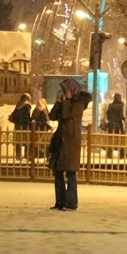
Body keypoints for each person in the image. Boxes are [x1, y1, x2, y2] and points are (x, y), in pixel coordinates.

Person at [48, 78, 92, 211]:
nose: (64, 92)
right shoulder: (66, 102)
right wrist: (58, 103)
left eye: (66, 90)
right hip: (60, 141)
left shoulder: (79, 103)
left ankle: (71, 202)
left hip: (71, 142)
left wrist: (66, 101)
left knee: (70, 173)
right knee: (58, 172)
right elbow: (52, 116)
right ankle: (60, 201)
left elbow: (67, 114)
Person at [9, 92, 32, 159]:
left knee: (18, 142)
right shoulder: (27, 106)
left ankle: (18, 156)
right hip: (25, 126)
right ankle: (26, 155)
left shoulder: (18, 106)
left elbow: (14, 115)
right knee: (26, 142)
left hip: (18, 126)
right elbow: (27, 117)